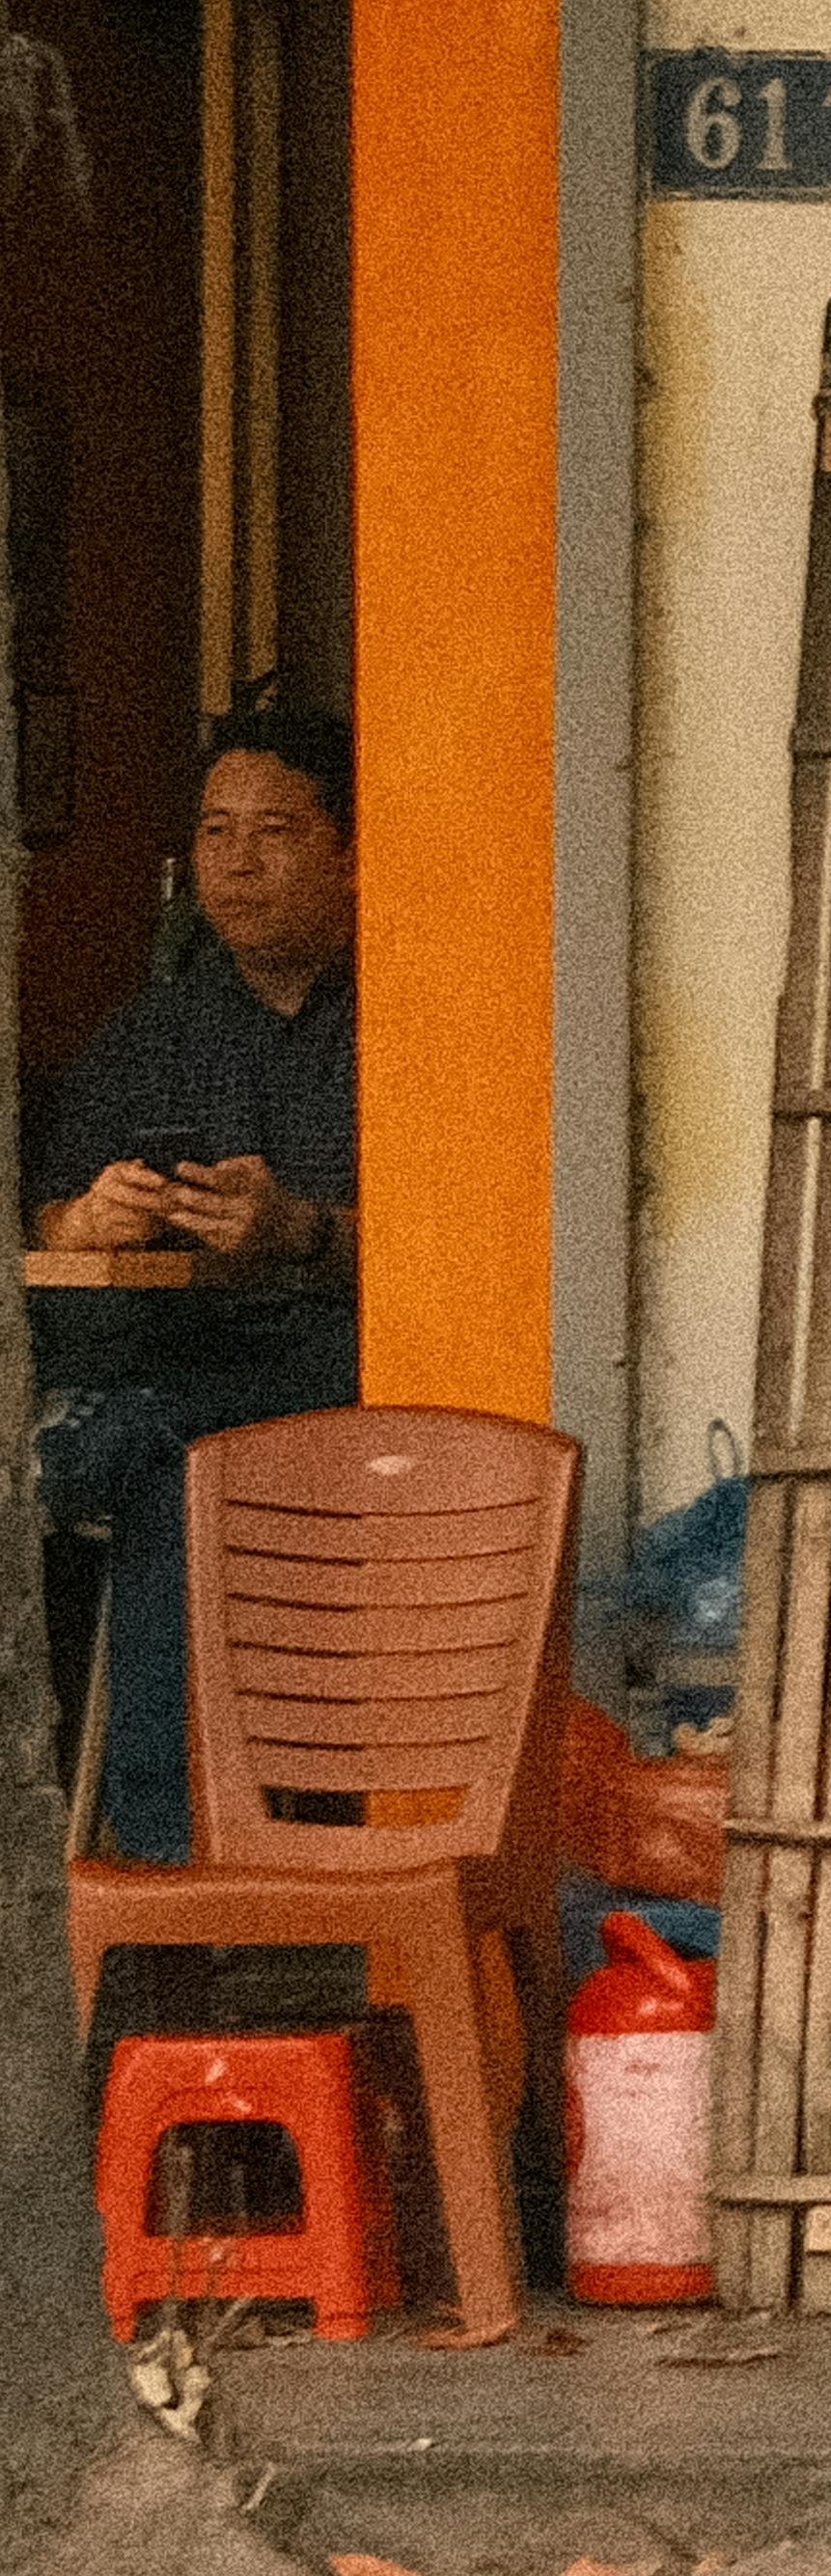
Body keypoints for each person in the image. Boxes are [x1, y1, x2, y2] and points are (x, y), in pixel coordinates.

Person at [26, 707, 362, 1865]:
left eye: (274, 829)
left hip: (340, 1365)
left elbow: (468, 1236)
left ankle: (170, 1866)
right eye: (216, 830)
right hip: (165, 1360)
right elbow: (42, 1228)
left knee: (169, 1460)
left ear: (351, 853)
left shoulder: (410, 1019)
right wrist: (83, 1219)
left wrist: (303, 1230)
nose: (237, 860)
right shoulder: (152, 1031)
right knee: (156, 1442)